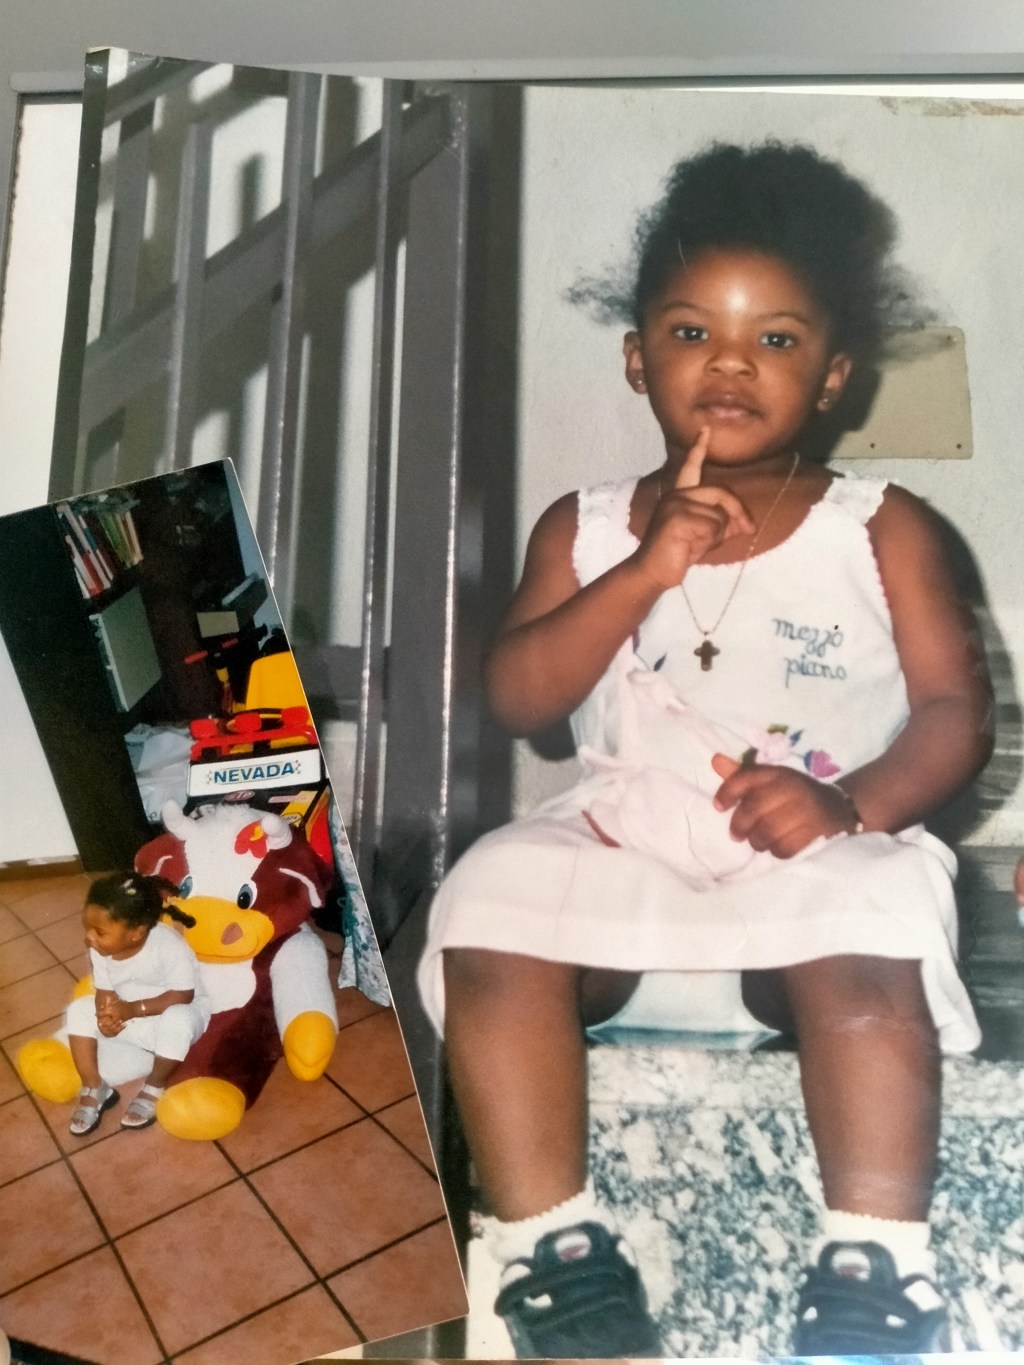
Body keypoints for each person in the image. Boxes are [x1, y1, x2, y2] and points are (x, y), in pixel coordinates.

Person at [416, 140, 993, 1358]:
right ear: (637, 358)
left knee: (874, 928)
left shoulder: (880, 528)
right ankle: (552, 1247)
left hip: (812, 864)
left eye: (774, 339)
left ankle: (874, 1265)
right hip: (623, 847)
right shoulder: (583, 527)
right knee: (487, 897)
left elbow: (953, 711)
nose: (729, 363)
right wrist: (644, 570)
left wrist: (855, 806)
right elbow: (519, 699)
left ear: (833, 377)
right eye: (691, 333)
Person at [67, 871, 210, 1135]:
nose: (89, 938)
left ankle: (155, 1085)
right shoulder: (100, 948)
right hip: (129, 1013)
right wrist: (105, 1016)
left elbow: (183, 995)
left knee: (177, 1019)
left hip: (171, 1013)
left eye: (99, 932)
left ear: (136, 932)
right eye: (88, 928)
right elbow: (104, 989)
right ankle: (94, 1087)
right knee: (78, 1010)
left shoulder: (168, 945)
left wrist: (132, 1010)